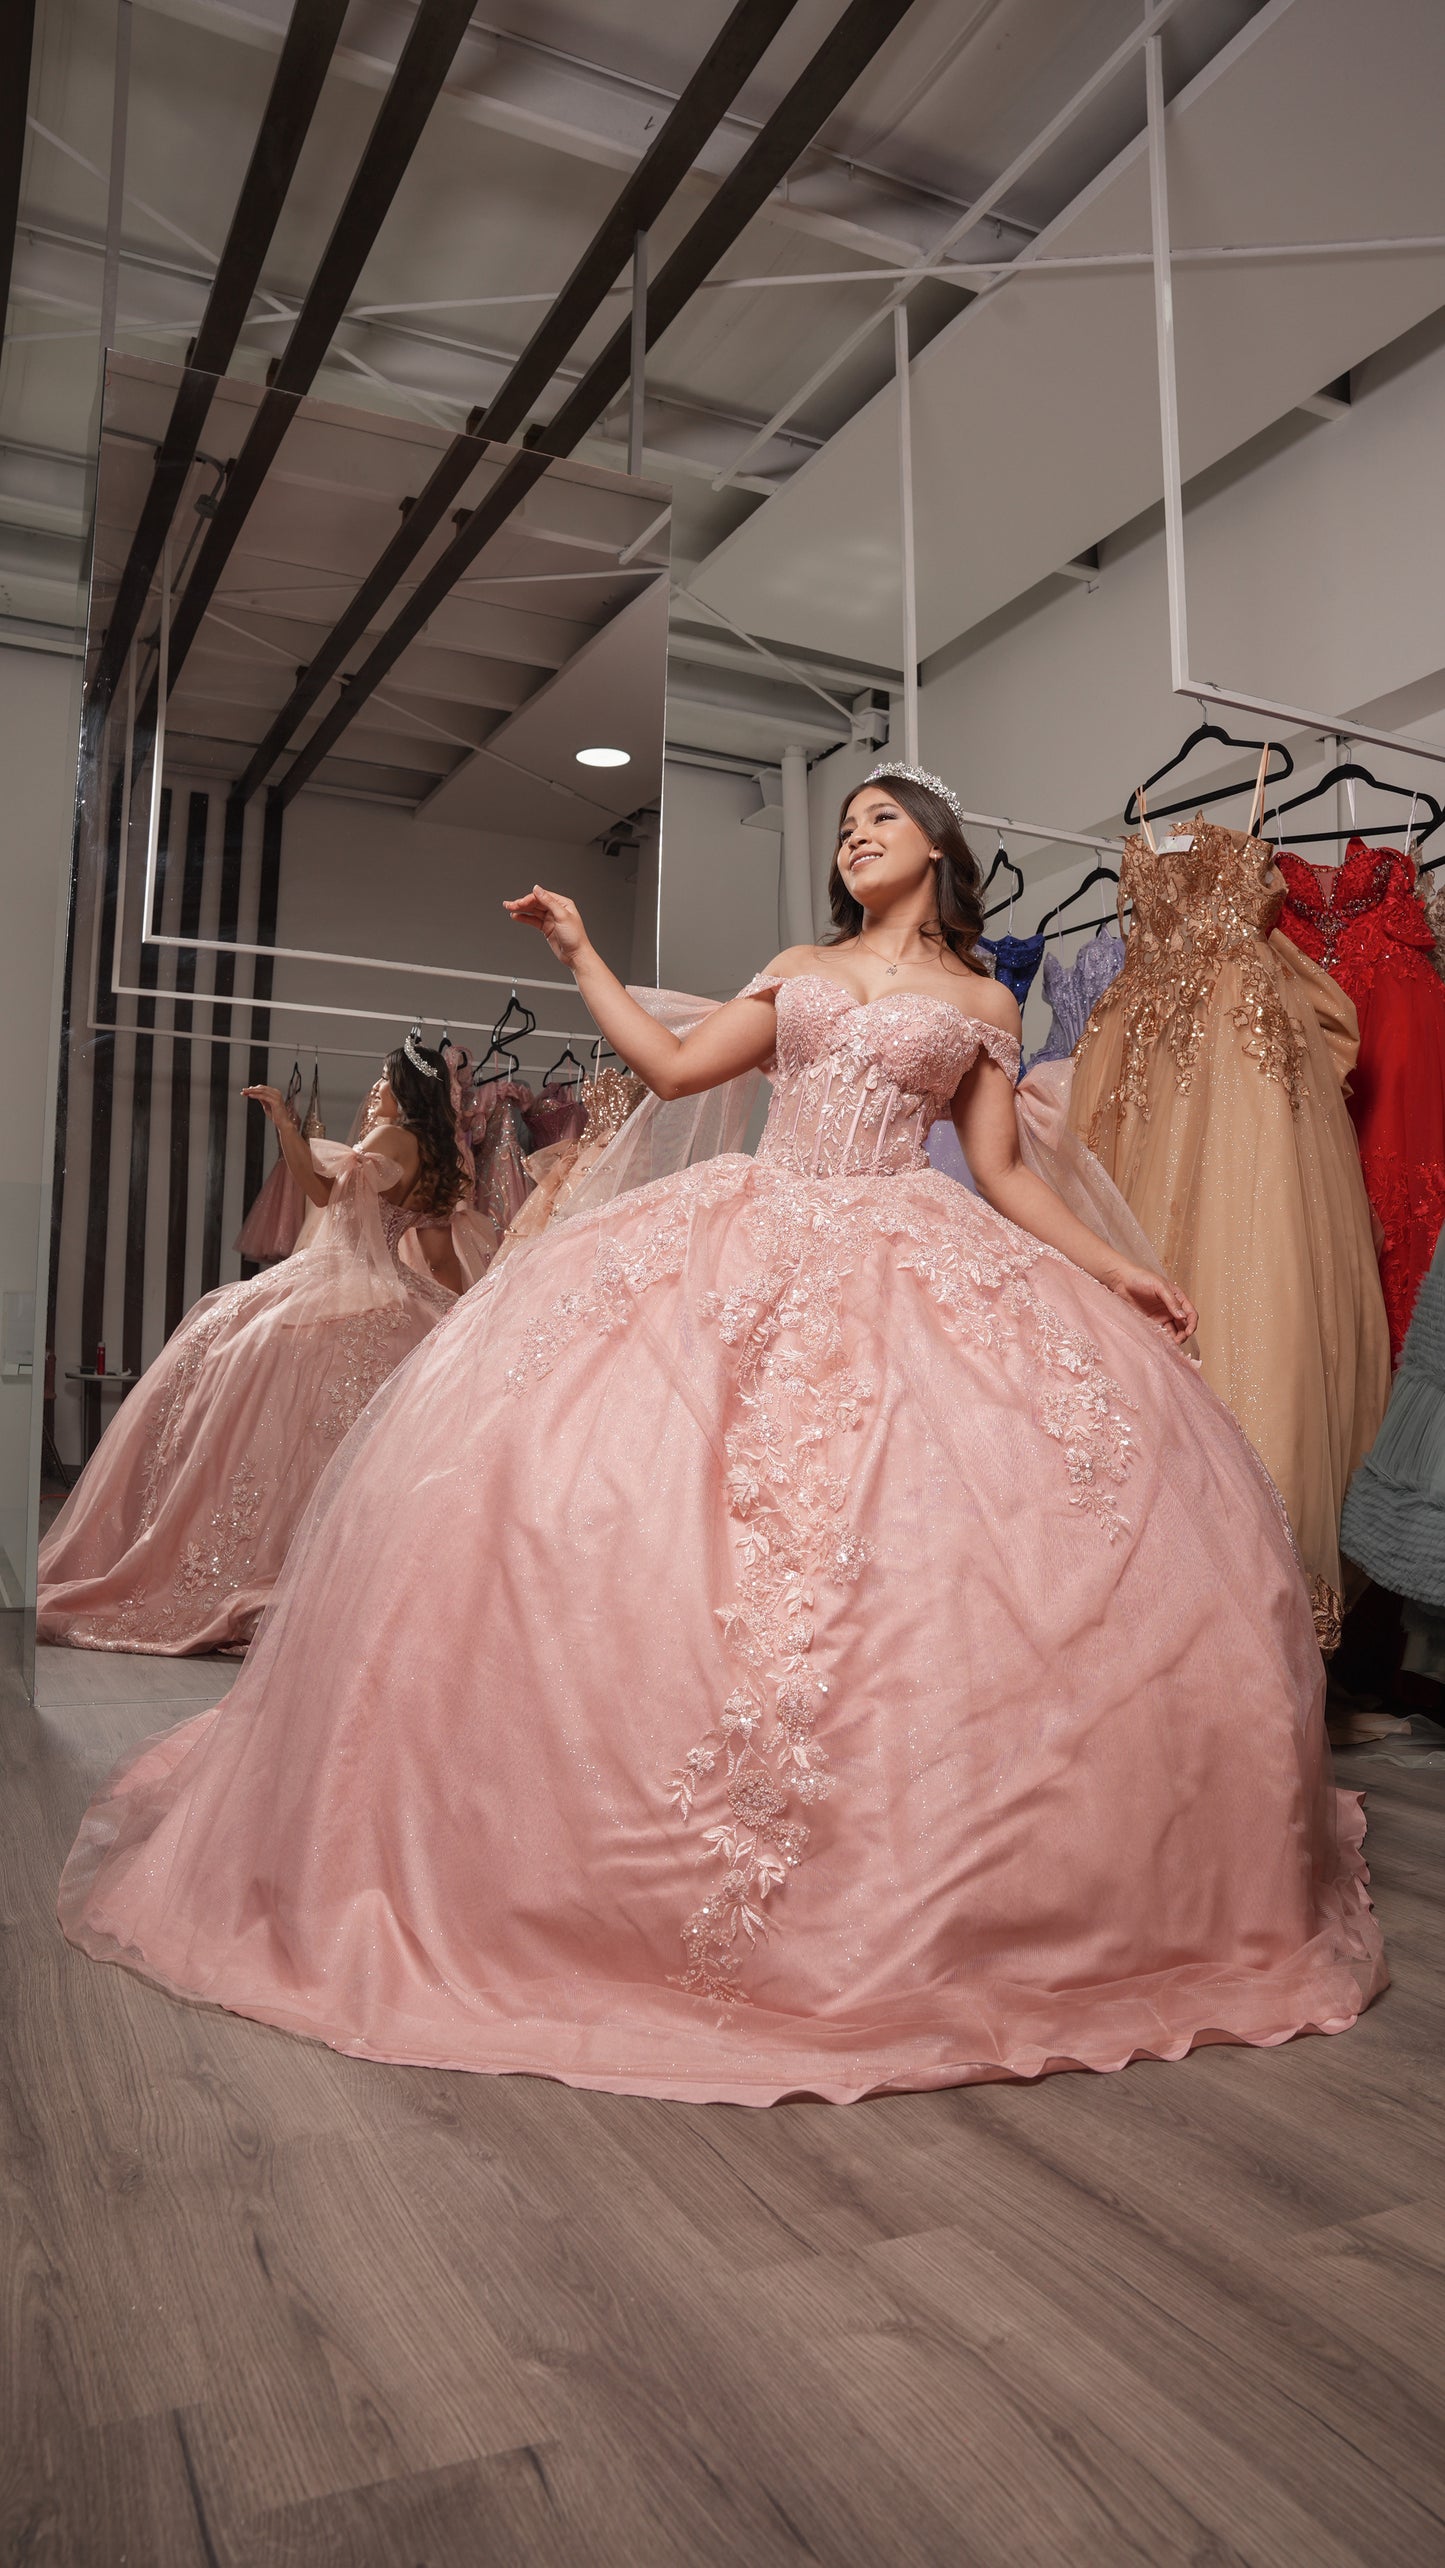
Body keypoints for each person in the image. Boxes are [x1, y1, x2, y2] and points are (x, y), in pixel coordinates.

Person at [57, 769, 1384, 2102]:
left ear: (935, 847)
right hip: (750, 1229)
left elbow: (1001, 1172)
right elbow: (678, 1068)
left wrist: (1114, 1269)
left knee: (938, 1535)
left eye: (880, 819)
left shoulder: (982, 1006)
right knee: (622, 1498)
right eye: (845, 824)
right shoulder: (799, 966)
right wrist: (581, 953)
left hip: (908, 1247)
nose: (855, 836)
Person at [38, 1034, 465, 1654]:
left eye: (385, 1079)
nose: (377, 1088)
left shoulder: (389, 1138)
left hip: (342, 1277)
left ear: (406, 1088)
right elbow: (440, 1256)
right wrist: (462, 1313)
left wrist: (287, 1127)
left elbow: (323, 1195)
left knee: (234, 1358)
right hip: (395, 1288)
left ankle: (206, 1548)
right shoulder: (437, 1153)